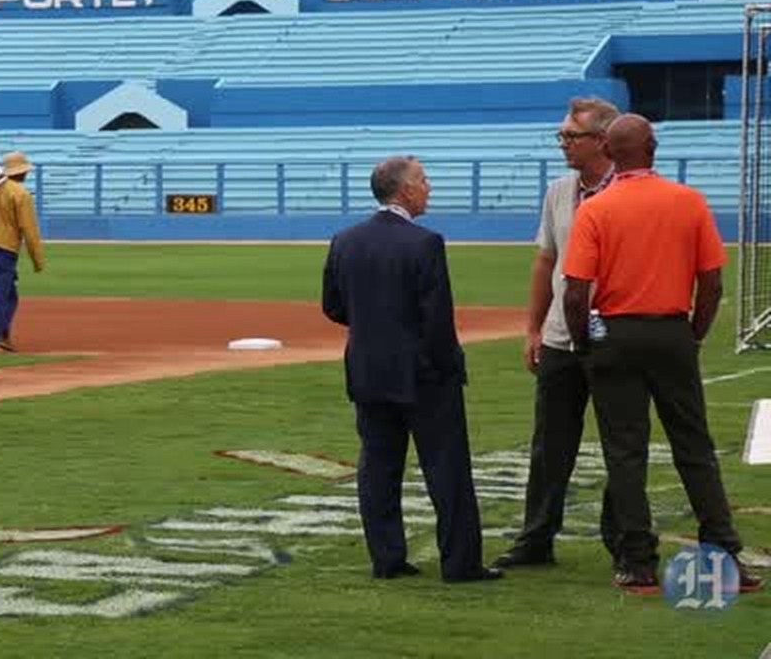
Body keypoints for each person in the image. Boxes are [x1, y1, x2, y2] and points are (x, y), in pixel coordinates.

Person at [563, 114, 763, 594]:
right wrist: (692, 334)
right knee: (694, 446)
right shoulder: (688, 201)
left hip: (615, 333)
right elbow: (711, 282)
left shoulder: (596, 209)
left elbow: (575, 291)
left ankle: (636, 560)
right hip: (672, 331)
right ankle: (723, 548)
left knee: (625, 451)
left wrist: (584, 342)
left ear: (609, 153)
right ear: (653, 149)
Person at [322, 156, 502, 583]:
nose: (429, 187)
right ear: (404, 191)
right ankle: (460, 563)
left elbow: (333, 307)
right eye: (422, 180)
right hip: (423, 375)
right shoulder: (425, 242)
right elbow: (437, 319)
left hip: (367, 371)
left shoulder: (344, 240)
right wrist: (445, 367)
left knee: (378, 468)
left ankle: (387, 558)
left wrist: (374, 328)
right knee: (447, 469)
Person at [494, 97, 620, 569]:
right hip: (560, 337)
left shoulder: (627, 192)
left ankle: (621, 540)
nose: (563, 143)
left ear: (602, 141)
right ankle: (537, 537)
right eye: (562, 135)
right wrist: (532, 328)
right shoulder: (558, 191)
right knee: (550, 442)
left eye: (572, 136)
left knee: (619, 443)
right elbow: (546, 259)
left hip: (613, 336)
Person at [0, 150, 45, 352]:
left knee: (8, 296)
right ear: (21, 172)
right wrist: (37, 259)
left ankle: (3, 337)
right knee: (3, 296)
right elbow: (29, 229)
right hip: (4, 250)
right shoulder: (21, 194)